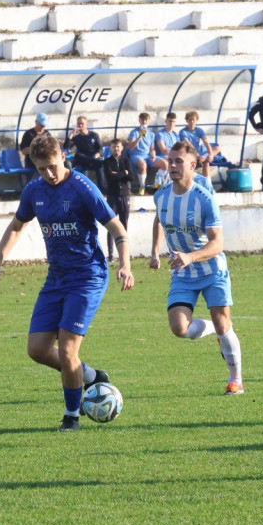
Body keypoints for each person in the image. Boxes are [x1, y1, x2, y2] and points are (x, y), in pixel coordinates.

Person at [0, 134, 134, 432]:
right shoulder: (34, 191)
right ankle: (88, 376)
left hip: (88, 276)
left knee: (67, 351)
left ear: (62, 157)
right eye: (42, 169)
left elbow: (117, 227)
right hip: (57, 277)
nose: (49, 174)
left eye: (53, 166)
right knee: (37, 350)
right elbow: (17, 226)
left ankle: (71, 416)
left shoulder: (81, 187)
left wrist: (125, 264)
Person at [150, 140, 244, 396]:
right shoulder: (161, 195)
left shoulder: (204, 199)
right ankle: (213, 327)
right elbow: (158, 219)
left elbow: (218, 243)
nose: (172, 165)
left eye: (179, 161)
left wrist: (191, 257)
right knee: (179, 329)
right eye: (170, 160)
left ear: (193, 165)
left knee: (225, 325)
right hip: (183, 274)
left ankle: (235, 379)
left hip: (212, 271)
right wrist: (155, 251)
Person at [103, 138, 133, 259]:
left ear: (122, 148)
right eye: (114, 147)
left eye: (118, 147)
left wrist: (120, 174)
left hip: (125, 195)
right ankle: (110, 254)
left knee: (124, 224)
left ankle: (123, 254)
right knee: (111, 225)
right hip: (112, 196)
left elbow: (131, 177)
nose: (116, 149)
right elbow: (110, 177)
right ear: (110, 148)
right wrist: (123, 173)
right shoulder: (107, 162)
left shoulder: (126, 160)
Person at [64, 115, 105, 191]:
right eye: (78, 123)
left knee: (100, 165)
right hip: (83, 160)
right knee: (78, 155)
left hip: (94, 158)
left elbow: (100, 148)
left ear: (87, 124)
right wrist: (71, 135)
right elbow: (66, 146)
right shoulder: (76, 138)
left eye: (82, 123)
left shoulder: (94, 135)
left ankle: (103, 190)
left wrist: (97, 154)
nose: (80, 125)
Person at [180, 111, 218, 177]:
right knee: (206, 162)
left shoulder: (199, 130)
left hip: (199, 153)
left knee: (217, 149)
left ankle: (207, 183)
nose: (192, 121)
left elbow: (206, 142)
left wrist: (211, 154)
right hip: (189, 153)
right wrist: (197, 156)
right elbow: (190, 145)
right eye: (190, 119)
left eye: (193, 119)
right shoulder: (183, 132)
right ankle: (202, 160)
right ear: (187, 121)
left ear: (196, 120)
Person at [126, 112, 154, 193]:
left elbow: (152, 148)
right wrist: (140, 136)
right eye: (142, 120)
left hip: (147, 156)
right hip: (136, 155)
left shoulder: (151, 134)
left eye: (146, 120)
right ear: (139, 121)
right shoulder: (134, 132)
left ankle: (161, 186)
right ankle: (142, 187)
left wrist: (153, 154)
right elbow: (131, 146)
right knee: (143, 165)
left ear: (149, 121)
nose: (144, 122)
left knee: (164, 164)